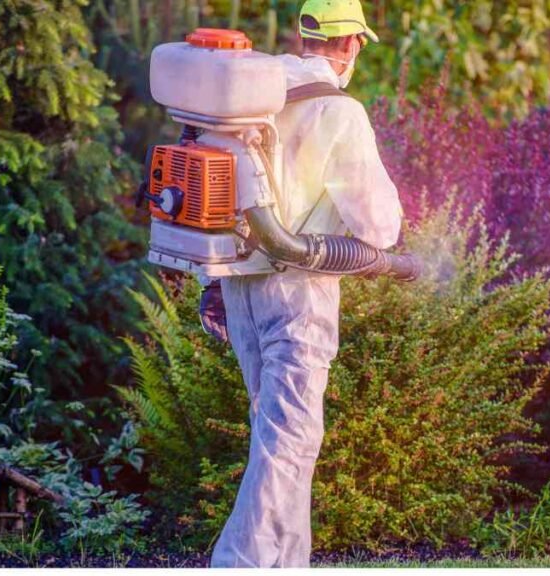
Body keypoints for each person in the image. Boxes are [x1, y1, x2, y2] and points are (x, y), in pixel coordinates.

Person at [202, 0, 404, 568]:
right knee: (287, 444)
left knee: (281, 437)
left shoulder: (252, 96)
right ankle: (236, 565)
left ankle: (289, 564)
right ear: (351, 46)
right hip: (300, 287)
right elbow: (378, 226)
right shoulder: (339, 112)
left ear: (303, 35)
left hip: (239, 285)